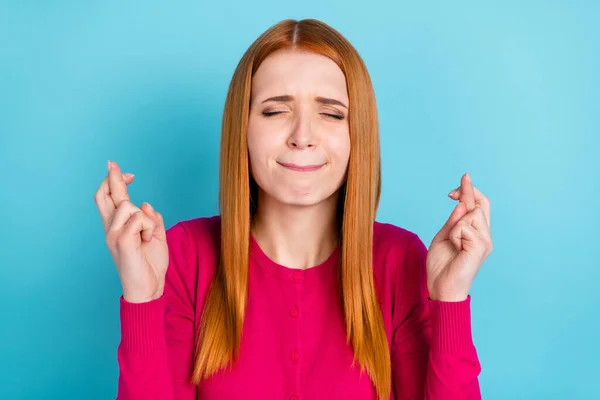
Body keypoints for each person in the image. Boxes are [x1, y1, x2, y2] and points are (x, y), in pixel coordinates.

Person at [94, 18, 492, 400]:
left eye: (331, 113)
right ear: (243, 129)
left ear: (359, 135)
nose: (302, 137)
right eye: (274, 110)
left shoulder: (399, 259)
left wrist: (450, 300)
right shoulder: (186, 255)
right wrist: (142, 298)